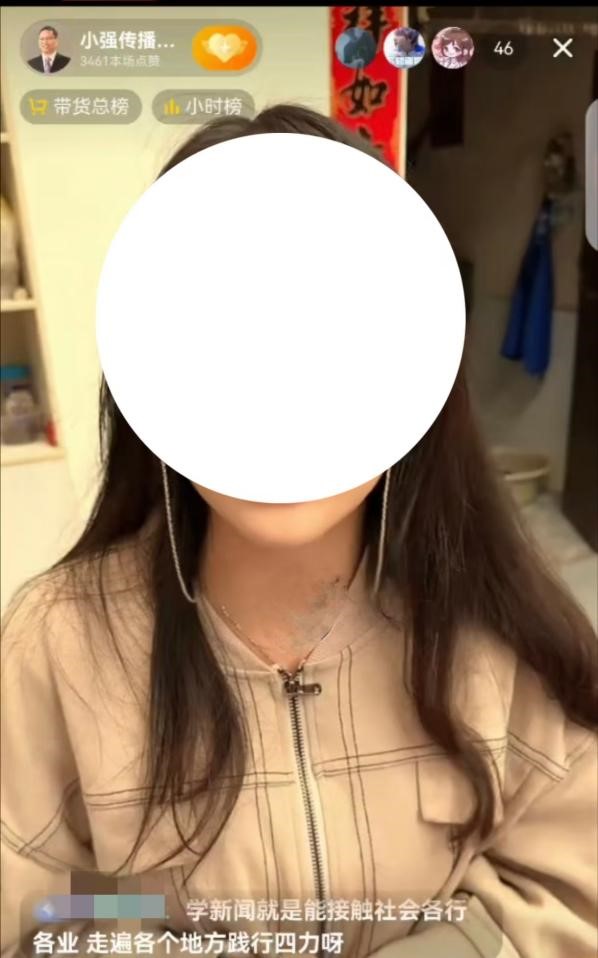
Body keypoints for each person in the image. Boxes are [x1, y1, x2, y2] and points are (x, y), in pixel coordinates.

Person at [2, 104, 597, 957]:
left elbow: (570, 887)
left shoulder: (502, 626)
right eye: (224, 340)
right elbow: (37, 905)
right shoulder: (56, 643)